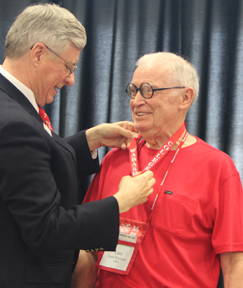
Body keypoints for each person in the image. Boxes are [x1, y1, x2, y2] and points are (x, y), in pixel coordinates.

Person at [0, 4, 156, 288]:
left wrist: (91, 140)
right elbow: (47, 229)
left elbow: (23, 170)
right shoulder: (13, 124)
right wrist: (121, 201)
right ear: (38, 53)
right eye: (68, 66)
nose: (71, 79)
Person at [72, 52, 243, 288]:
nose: (136, 101)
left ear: (185, 97)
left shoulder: (217, 167)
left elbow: (234, 263)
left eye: (148, 90)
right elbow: (87, 250)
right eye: (134, 90)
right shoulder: (115, 159)